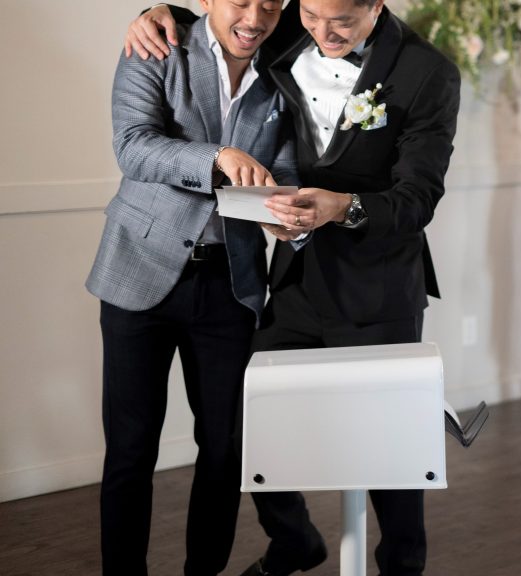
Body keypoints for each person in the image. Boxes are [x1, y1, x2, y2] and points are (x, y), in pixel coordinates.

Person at [125, 1, 461, 574]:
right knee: (246, 424)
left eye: (342, 24)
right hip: (295, 277)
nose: (323, 33)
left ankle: (402, 566)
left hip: (377, 287)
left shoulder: (429, 72)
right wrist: (157, 12)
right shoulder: (290, 27)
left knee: (390, 453)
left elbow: (418, 197)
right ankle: (294, 540)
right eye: (310, 16)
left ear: (376, 5)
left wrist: (345, 209)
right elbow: (235, 13)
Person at [87, 0, 293, 574]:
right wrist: (220, 157)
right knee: (131, 451)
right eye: (241, 3)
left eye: (272, 5)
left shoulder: (285, 68)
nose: (255, 18)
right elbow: (132, 145)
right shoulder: (156, 46)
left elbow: (290, 168)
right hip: (138, 275)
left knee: (224, 451)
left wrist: (287, 216)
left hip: (231, 285)